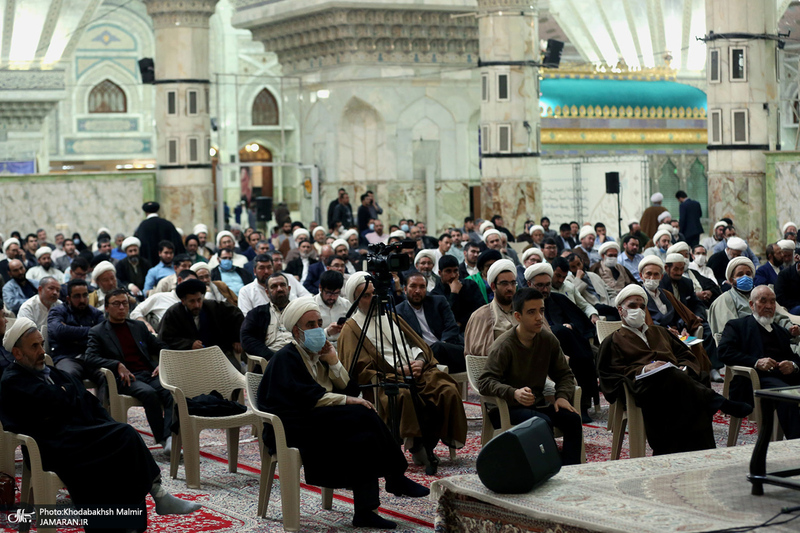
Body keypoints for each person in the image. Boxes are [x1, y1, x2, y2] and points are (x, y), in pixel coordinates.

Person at [1, 318, 201, 530]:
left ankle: (132, 521)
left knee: (121, 441)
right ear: (17, 353)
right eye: (34, 346)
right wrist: (64, 397)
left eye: (41, 344)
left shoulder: (53, 374)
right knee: (124, 437)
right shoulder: (12, 380)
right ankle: (154, 497)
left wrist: (96, 418)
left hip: (77, 436)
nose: (42, 350)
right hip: (50, 447)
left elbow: (86, 402)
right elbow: (50, 406)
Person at [256, 297, 428, 529]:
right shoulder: (286, 358)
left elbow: (349, 387)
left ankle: (366, 511)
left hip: (316, 418)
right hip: (290, 426)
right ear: (296, 331)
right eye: (310, 325)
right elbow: (307, 398)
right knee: (362, 414)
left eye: (319, 323)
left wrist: (334, 361)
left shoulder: (320, 353)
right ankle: (395, 477)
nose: (318, 329)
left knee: (364, 435)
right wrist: (348, 400)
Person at [338, 272, 467, 475]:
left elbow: (415, 344)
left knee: (447, 389)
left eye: (374, 294)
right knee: (404, 396)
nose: (373, 299)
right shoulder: (351, 328)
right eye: (366, 295)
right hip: (385, 378)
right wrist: (396, 370)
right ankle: (416, 446)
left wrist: (420, 361)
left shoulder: (391, 317)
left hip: (416, 370)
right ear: (355, 299)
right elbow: (358, 368)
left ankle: (432, 443)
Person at [598, 285, 752, 455]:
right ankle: (717, 401)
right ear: (621, 310)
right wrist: (643, 369)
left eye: (642, 306)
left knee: (681, 379)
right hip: (643, 388)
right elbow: (610, 373)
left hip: (677, 382)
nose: (638, 310)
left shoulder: (661, 332)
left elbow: (686, 355)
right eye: (633, 306)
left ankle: (702, 453)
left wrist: (683, 368)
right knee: (672, 377)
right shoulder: (613, 340)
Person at [477, 288, 583, 465]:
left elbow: (564, 374)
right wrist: (513, 392)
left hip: (537, 403)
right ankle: (545, 469)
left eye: (541, 311)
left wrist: (563, 396)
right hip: (505, 407)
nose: (539, 317)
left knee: (572, 419)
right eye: (532, 312)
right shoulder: (504, 345)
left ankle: (569, 469)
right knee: (542, 422)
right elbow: (485, 382)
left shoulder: (547, 340)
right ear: (518, 316)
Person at [84, 288, 174, 451]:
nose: (121, 308)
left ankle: (170, 437)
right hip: (126, 378)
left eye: (124, 303)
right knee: (149, 394)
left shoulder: (138, 326)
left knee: (171, 392)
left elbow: (160, 346)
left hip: (148, 372)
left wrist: (163, 362)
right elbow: (89, 358)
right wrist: (116, 364)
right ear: (106, 308)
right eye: (116, 304)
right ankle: (162, 437)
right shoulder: (98, 331)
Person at [718, 286, 800, 438]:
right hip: (753, 380)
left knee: (788, 391)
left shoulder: (780, 331)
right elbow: (724, 352)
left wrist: (793, 366)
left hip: (783, 378)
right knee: (788, 396)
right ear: (751, 305)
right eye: (763, 301)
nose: (769, 306)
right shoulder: (737, 326)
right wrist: (756, 362)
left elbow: (794, 358)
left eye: (773, 302)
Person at [524, 262, 599, 420]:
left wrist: (570, 326)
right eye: (539, 286)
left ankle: (583, 403)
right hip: (539, 348)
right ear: (529, 284)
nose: (544, 290)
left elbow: (580, 322)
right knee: (561, 334)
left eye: (547, 285)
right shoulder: (522, 304)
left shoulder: (558, 299)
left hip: (570, 345)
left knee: (579, 346)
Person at [158, 279, 244, 368]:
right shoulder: (173, 313)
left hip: (218, 354)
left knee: (234, 371)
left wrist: (237, 339)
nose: (197, 305)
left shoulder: (214, 306)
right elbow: (165, 339)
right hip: (187, 358)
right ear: (183, 301)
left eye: (199, 300)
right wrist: (189, 344)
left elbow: (237, 315)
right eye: (192, 301)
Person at [396, 271, 465, 373]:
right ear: (405, 289)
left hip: (449, 350)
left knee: (439, 347)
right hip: (420, 355)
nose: (418, 291)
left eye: (422, 287)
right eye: (413, 286)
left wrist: (441, 345)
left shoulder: (438, 302)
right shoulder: (398, 312)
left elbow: (451, 327)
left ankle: (424, 362)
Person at [47, 279, 106, 397]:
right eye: (77, 296)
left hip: (91, 356)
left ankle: (102, 411)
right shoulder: (57, 311)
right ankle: (77, 413)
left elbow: (103, 334)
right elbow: (58, 331)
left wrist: (70, 332)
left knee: (108, 375)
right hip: (66, 357)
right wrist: (91, 330)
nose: (82, 300)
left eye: (85, 295)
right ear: (68, 299)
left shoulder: (96, 313)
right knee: (69, 376)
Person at [463, 259, 518, 356]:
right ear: (493, 286)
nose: (510, 288)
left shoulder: (524, 310)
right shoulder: (481, 315)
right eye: (504, 283)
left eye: (513, 283)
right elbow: (477, 355)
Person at [240, 273, 296, 358]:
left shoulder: (301, 311)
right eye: (274, 286)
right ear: (267, 292)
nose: (279, 289)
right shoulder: (257, 314)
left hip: (299, 356)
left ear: (289, 289)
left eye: (282, 285)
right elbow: (246, 338)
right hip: (272, 358)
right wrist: (270, 356)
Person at [131, 269, 198, 332]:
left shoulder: (196, 303)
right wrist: (146, 325)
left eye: (195, 284)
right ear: (179, 280)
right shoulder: (160, 297)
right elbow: (135, 313)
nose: (192, 286)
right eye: (190, 282)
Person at [134, 201, 185, 266]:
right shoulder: (168, 224)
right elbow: (179, 246)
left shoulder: (142, 227)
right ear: (157, 211)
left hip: (149, 266)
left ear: (145, 213)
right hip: (170, 267)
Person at [313, 270, 350, 343]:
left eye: (336, 293)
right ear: (320, 287)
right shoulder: (312, 306)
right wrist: (327, 332)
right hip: (320, 346)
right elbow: (308, 338)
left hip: (343, 345)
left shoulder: (346, 304)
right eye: (329, 293)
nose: (332, 297)